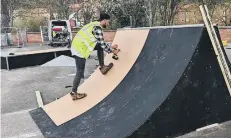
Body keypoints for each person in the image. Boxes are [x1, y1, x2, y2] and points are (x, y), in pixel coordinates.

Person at [70, 13, 119, 100]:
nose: (107, 24)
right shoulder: (97, 28)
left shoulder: (94, 24)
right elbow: (103, 45)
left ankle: (102, 66)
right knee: (80, 71)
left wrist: (111, 46)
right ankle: (74, 93)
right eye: (107, 22)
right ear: (104, 20)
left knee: (99, 46)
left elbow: (100, 43)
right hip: (79, 49)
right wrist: (112, 51)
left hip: (78, 45)